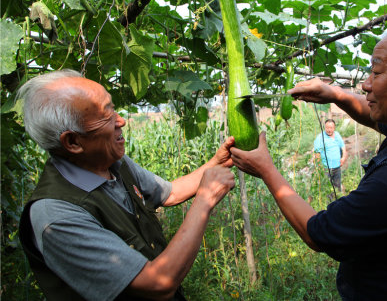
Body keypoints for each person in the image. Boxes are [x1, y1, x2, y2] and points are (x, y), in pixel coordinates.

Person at [231, 22, 387, 300]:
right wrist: (336, 94)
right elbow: (383, 120)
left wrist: (266, 169)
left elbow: (319, 233)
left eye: (376, 72)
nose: (365, 84)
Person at [17, 70, 236, 301]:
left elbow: (170, 193)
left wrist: (216, 162)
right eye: (106, 116)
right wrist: (205, 200)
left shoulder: (112, 163)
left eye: (112, 108)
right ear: (73, 142)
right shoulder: (57, 217)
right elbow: (157, 285)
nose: (120, 121)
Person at [313, 119, 347, 196]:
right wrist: (320, 167)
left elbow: (343, 147)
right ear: (324, 127)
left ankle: (337, 201)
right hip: (326, 169)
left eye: (331, 128)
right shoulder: (320, 137)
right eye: (327, 128)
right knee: (327, 189)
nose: (329, 130)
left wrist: (344, 157)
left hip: (337, 167)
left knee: (337, 188)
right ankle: (329, 205)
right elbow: (317, 153)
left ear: (334, 128)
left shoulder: (337, 135)